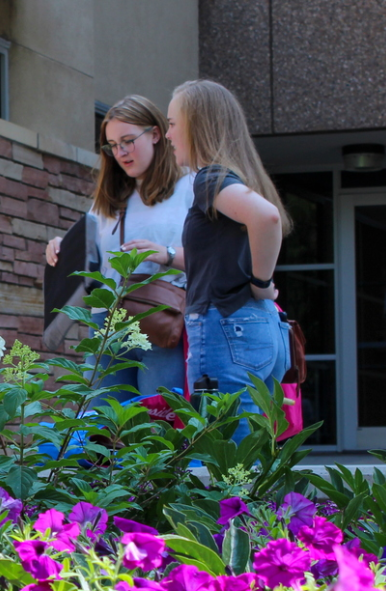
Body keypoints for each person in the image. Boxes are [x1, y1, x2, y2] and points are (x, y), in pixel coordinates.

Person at [165, 79, 292, 444]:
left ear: (197, 124)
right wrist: (165, 255)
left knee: (225, 454)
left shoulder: (211, 179)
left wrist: (261, 283)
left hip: (226, 327)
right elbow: (218, 258)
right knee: (255, 451)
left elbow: (266, 218)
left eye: (173, 124)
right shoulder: (233, 179)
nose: (169, 135)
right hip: (258, 328)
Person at [46, 95, 194, 402]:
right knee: (99, 427)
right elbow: (93, 253)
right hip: (107, 323)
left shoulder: (189, 187)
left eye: (128, 140)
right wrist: (62, 247)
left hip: (163, 318)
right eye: (112, 145)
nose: (120, 152)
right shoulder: (110, 197)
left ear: (155, 134)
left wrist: (163, 253)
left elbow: (212, 258)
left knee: (157, 427)